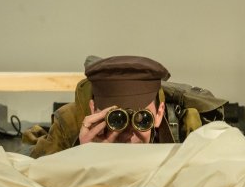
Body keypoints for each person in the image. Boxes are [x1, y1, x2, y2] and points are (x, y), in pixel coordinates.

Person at [23, 55, 227, 158]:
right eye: (117, 119)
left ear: (159, 114)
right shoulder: (70, 122)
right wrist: (83, 155)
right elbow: (33, 180)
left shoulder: (186, 126)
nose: (128, 134)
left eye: (142, 119)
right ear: (93, 110)